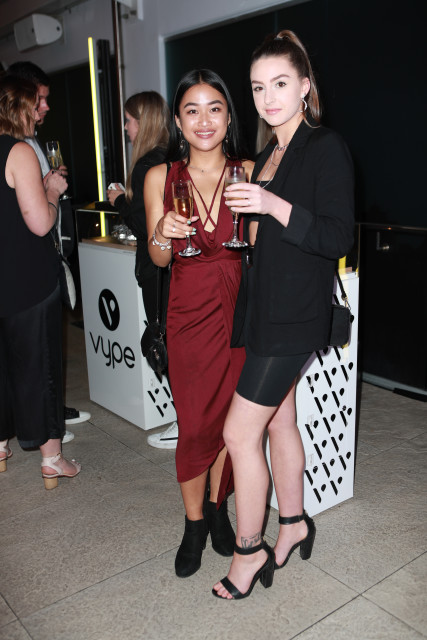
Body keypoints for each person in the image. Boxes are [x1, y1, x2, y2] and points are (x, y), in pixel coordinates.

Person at [212, 30, 354, 599]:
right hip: (265, 306)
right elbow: (266, 237)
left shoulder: (324, 146)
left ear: (304, 86)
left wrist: (271, 204)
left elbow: (337, 236)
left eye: (279, 84)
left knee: (238, 431)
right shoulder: (269, 154)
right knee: (278, 421)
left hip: (294, 314)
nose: (267, 98)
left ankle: (248, 552)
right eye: (257, 88)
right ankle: (293, 523)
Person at [145, 69, 253, 578]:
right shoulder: (160, 177)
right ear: (177, 121)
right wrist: (162, 232)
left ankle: (217, 508)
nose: (204, 120)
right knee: (194, 425)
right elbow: (159, 259)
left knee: (232, 424)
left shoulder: (246, 171)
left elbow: (260, 241)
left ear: (229, 117)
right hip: (189, 313)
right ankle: (193, 524)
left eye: (215, 108)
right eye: (192, 110)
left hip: (239, 311)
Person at [0, 75, 81, 488]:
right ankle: (52, 458)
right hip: (29, 279)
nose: (42, 110)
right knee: (41, 366)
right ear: (20, 108)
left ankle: (0, 446)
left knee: (3, 367)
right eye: (37, 104)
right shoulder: (19, 151)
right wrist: (52, 191)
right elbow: (40, 223)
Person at [106, 91, 178, 449]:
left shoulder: (146, 165)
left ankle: (184, 422)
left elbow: (143, 225)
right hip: (178, 266)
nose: (126, 128)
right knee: (177, 342)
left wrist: (120, 200)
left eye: (129, 120)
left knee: (164, 342)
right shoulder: (173, 156)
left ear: (143, 122)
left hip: (157, 267)